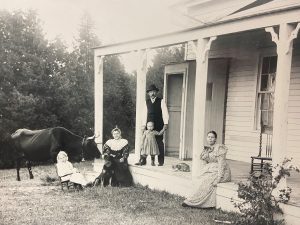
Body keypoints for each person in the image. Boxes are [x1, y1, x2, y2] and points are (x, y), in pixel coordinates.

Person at [182, 131, 231, 208]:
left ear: (215, 139)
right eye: (209, 137)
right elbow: (204, 161)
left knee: (206, 180)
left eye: (212, 137)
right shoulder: (207, 149)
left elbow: (222, 164)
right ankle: (192, 199)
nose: (210, 139)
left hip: (221, 171)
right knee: (198, 178)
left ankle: (201, 203)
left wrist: (219, 178)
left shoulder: (220, 148)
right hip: (211, 169)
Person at [135, 84, 169, 166]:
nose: (152, 93)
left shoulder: (161, 101)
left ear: (156, 92)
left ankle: (160, 161)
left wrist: (165, 123)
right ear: (148, 93)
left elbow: (165, 113)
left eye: (154, 92)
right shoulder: (146, 102)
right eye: (151, 92)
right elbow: (144, 114)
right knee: (145, 142)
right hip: (149, 126)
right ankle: (142, 160)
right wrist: (143, 125)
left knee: (159, 142)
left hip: (159, 125)